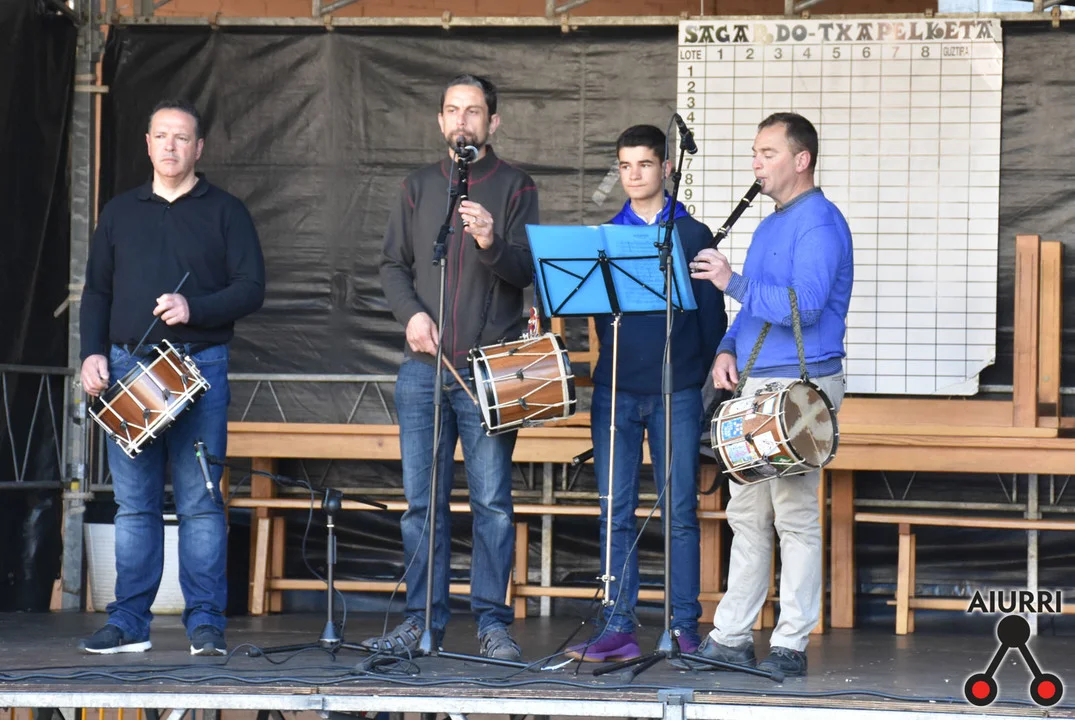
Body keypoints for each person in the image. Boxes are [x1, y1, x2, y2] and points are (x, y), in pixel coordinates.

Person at [78, 100, 266, 655]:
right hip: (128, 366)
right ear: (147, 143)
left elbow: (251, 288)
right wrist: (91, 355)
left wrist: (194, 307)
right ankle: (128, 622)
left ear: (199, 148)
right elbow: (97, 292)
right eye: (161, 136)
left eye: (182, 138)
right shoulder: (119, 212)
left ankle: (206, 623)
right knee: (134, 504)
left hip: (199, 366)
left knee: (201, 502)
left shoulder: (226, 211)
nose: (170, 146)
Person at [370, 73, 539, 661]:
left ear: (493, 122)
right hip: (423, 369)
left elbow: (528, 271)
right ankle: (420, 623)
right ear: (441, 120)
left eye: (473, 111)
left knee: (492, 504)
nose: (462, 120)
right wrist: (412, 315)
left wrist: (492, 243)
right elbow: (393, 265)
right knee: (422, 504)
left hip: (490, 369)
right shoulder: (418, 185)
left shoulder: (516, 185)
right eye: (452, 110)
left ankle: (493, 624)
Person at [688, 112, 853, 677]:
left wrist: (730, 281)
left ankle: (790, 643)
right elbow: (751, 312)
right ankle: (732, 636)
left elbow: (803, 308)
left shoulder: (820, 223)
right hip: (757, 383)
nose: (755, 164)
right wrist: (726, 349)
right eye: (755, 153)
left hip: (802, 388)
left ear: (801, 160)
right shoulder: (769, 226)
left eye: (768, 153)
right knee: (746, 513)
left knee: (795, 514)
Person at [565, 125, 726, 662]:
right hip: (616, 391)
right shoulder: (605, 236)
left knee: (679, 511)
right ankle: (617, 627)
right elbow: (597, 315)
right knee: (615, 510)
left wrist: (693, 376)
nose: (634, 175)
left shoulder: (693, 234)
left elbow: (712, 318)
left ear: (666, 169)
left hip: (676, 391)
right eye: (625, 165)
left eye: (645, 164)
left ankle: (683, 626)